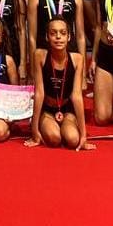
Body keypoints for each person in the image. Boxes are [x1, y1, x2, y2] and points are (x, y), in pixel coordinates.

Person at [26, 16, 94, 150]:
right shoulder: (40, 55)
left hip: (66, 108)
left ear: (69, 37)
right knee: (54, 138)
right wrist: (34, 129)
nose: (58, 37)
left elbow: (76, 96)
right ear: (47, 37)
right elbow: (39, 93)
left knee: (73, 140)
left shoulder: (77, 59)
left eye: (63, 33)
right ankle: (42, 124)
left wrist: (83, 136)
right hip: (47, 109)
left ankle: (68, 125)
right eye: (53, 33)